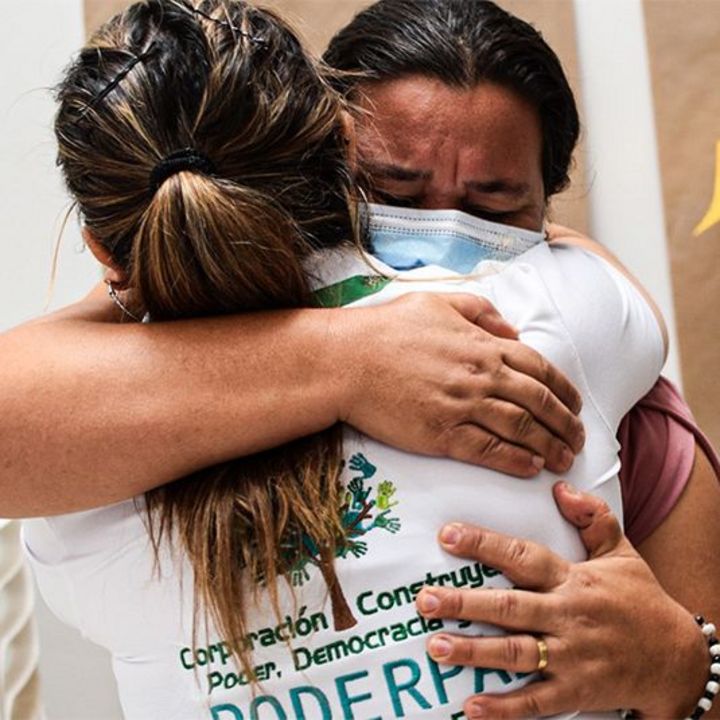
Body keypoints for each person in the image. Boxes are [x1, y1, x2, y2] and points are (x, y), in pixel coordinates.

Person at [3, 0, 719, 716]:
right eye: (394, 194)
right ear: (330, 164)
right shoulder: (570, 312)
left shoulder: (79, 473)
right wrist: (350, 360)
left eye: (495, 212)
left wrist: (682, 664)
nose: (446, 243)